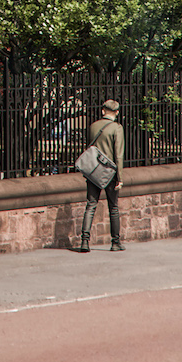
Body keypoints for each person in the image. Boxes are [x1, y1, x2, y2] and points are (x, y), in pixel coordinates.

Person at [73, 98, 129, 252]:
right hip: (110, 173)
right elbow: (119, 155)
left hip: (93, 171)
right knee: (113, 207)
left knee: (90, 205)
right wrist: (120, 177)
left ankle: (85, 241)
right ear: (117, 112)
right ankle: (115, 242)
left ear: (103, 111)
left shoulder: (93, 126)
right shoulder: (117, 128)